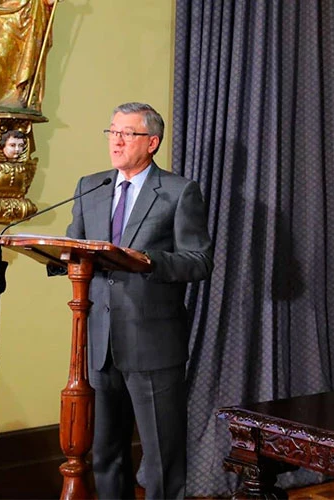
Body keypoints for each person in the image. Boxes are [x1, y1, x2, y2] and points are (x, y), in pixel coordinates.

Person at [65, 102, 213, 498]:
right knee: (106, 454)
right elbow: (74, 248)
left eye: (127, 133)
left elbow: (199, 261)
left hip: (153, 344)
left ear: (152, 142)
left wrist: (149, 261)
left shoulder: (179, 192)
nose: (116, 141)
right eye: (112, 131)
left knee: (162, 457)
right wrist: (55, 256)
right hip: (99, 344)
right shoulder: (90, 187)